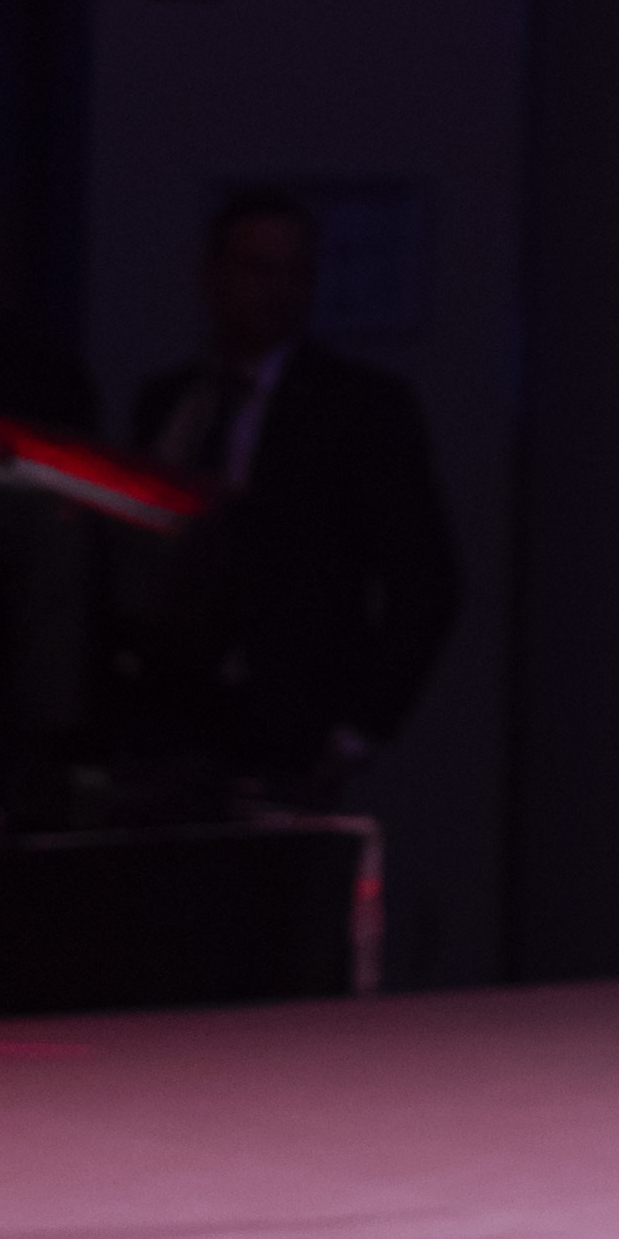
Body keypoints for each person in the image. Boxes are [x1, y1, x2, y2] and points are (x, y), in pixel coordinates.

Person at [133, 189, 458, 796]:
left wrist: (359, 729)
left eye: (294, 272)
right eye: (258, 269)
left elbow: (427, 579)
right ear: (213, 277)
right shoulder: (170, 403)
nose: (277, 291)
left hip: (291, 725)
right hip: (173, 719)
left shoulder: (358, 409)